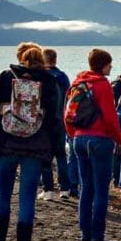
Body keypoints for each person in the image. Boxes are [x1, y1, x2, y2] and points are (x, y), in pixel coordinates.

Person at [0, 43, 60, 241]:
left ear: (21, 57)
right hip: (35, 149)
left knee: (2, 194)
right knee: (27, 198)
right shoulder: (49, 81)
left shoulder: (4, 77)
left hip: (5, 145)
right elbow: (54, 120)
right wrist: (52, 150)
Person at [66, 49, 121, 241]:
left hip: (79, 139)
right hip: (99, 141)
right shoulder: (102, 86)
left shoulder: (78, 83)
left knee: (86, 188)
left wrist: (73, 134)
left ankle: (85, 234)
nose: (111, 67)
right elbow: (111, 118)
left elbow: (66, 113)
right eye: (109, 64)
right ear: (103, 65)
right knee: (101, 190)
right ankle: (97, 236)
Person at [43, 48, 77, 198]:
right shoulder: (63, 77)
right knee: (61, 155)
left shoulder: (42, 76)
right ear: (55, 60)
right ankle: (65, 188)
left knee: (45, 156)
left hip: (45, 122)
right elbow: (70, 100)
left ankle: (48, 189)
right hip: (61, 120)